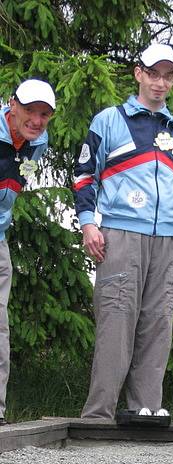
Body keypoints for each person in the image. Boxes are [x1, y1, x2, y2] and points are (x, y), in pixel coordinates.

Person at [74, 43, 173, 419]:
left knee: (159, 325)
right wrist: (88, 223)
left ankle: (144, 413)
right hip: (121, 233)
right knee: (116, 321)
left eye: (168, 76)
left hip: (169, 240)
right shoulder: (109, 120)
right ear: (138, 73)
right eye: (154, 74)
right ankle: (98, 415)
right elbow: (83, 176)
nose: (160, 83)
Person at [1, 79, 56, 427]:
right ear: (11, 104)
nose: (36, 120)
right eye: (30, 111)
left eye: (44, 115)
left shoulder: (38, 144)